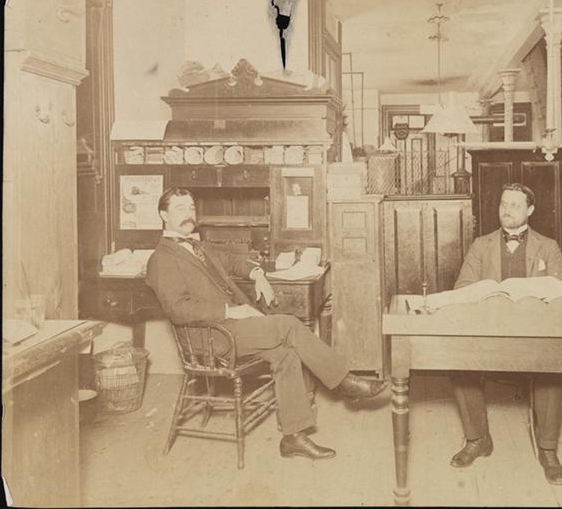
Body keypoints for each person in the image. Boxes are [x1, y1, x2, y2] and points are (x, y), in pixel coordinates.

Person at [146, 187, 388, 460]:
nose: (189, 214)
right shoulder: (161, 259)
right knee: (288, 325)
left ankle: (293, 437)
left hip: (230, 329)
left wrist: (257, 273)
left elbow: (234, 262)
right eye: (180, 208)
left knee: (285, 354)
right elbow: (179, 310)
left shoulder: (199, 246)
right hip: (212, 337)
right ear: (163, 215)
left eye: (191, 207)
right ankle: (343, 382)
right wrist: (230, 311)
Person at [449, 183, 562, 485]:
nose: (507, 210)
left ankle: (548, 449)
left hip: (534, 332)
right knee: (458, 359)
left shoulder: (548, 247)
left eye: (515, 205)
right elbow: (462, 288)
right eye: (504, 203)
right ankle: (477, 438)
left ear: (530, 210)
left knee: (556, 362)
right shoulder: (481, 245)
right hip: (490, 329)